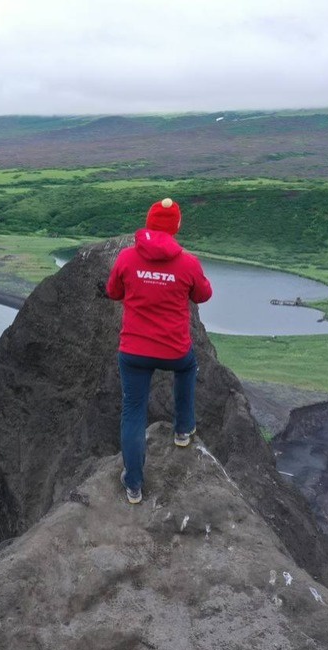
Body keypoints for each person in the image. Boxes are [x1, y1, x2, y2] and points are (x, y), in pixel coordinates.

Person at [101, 198, 212, 504]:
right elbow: (203, 294)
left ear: (149, 223)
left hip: (134, 351)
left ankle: (134, 485)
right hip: (174, 350)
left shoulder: (126, 258)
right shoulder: (188, 263)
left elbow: (113, 292)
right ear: (176, 227)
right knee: (187, 368)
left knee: (133, 411)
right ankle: (183, 429)